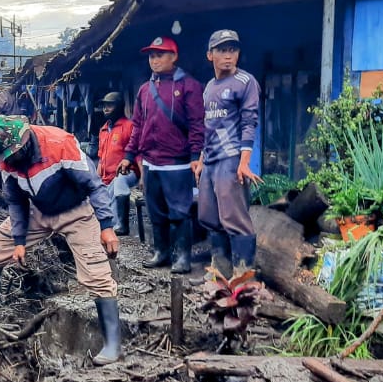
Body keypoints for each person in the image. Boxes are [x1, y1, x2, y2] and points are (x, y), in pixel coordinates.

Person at [0, 116, 125, 365]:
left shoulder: (60, 144)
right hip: (36, 212)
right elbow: (16, 201)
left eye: (10, 156)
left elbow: (94, 186)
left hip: (76, 210)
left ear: (23, 143)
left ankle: (112, 344)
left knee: (96, 273)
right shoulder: (7, 159)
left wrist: (106, 226)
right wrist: (18, 241)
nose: (7, 162)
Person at [118, 36, 205, 274]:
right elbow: (138, 125)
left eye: (160, 55)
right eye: (151, 56)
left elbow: (198, 124)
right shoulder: (145, 90)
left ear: (174, 57)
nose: (154, 60)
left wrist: (195, 156)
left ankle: (183, 257)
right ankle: (161, 252)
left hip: (177, 162)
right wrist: (129, 155)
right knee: (155, 211)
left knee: (179, 212)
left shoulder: (189, 86)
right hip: (150, 162)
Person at [193, 29, 263, 273]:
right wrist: (201, 160)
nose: (228, 55)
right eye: (222, 50)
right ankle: (220, 278)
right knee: (210, 217)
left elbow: (249, 122)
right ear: (210, 55)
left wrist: (244, 163)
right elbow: (208, 127)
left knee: (235, 220)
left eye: (232, 49)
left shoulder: (245, 82)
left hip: (231, 158)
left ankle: (243, 280)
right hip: (211, 160)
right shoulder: (210, 86)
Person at [95, 92, 138, 236]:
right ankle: (107, 225)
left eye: (110, 105)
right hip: (107, 175)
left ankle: (121, 225)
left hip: (128, 173)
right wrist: (96, 179)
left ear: (119, 107)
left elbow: (138, 154)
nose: (106, 109)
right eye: (104, 105)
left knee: (118, 183)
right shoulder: (103, 129)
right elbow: (101, 158)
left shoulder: (129, 126)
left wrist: (144, 178)